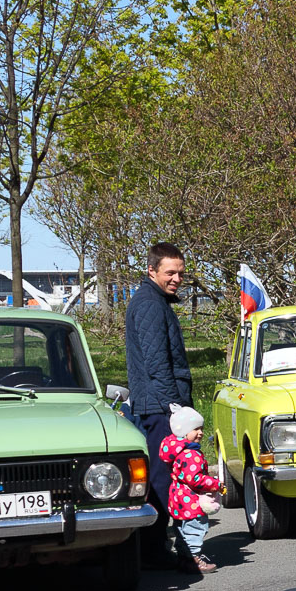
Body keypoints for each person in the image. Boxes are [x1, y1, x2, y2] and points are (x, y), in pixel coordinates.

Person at [124, 242, 192, 567]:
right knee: (166, 481)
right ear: (152, 270)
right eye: (170, 272)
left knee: (159, 479)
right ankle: (174, 551)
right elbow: (157, 365)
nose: (177, 278)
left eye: (180, 272)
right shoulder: (150, 305)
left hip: (157, 405)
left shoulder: (155, 300)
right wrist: (177, 410)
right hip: (160, 408)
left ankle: (155, 550)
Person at [159, 403, 222, 574]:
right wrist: (215, 484)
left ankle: (183, 557)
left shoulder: (178, 450)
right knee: (195, 527)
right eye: (195, 429)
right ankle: (193, 558)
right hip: (190, 498)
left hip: (179, 497)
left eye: (201, 429)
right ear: (183, 431)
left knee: (181, 528)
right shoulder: (190, 454)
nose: (200, 433)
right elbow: (194, 479)